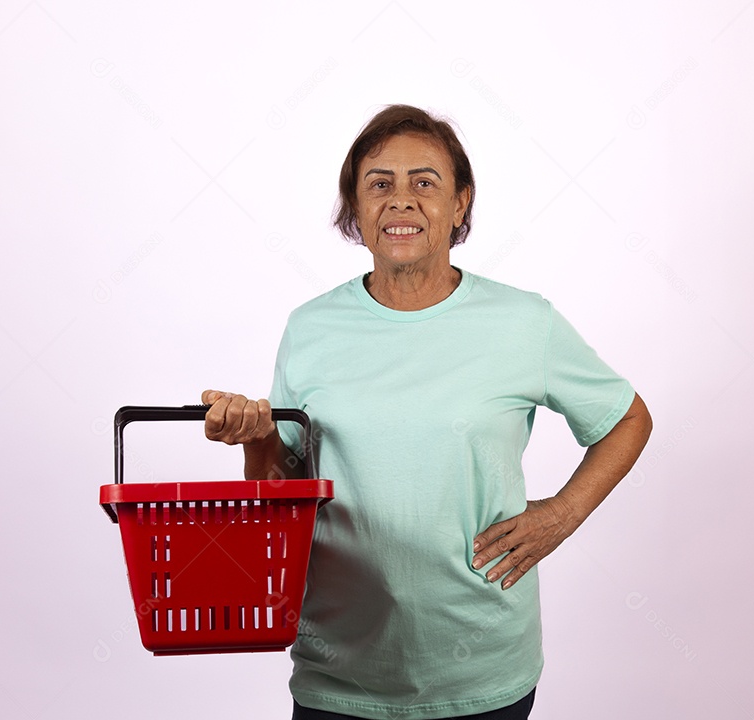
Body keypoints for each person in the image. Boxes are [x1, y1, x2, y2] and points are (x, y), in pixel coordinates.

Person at [202, 104, 652, 720]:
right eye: (379, 183)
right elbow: (279, 495)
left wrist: (561, 515)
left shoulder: (524, 323)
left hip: (482, 668)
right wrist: (255, 441)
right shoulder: (310, 329)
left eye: (425, 182)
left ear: (460, 205)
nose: (401, 200)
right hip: (339, 672)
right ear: (355, 209)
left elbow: (627, 419)